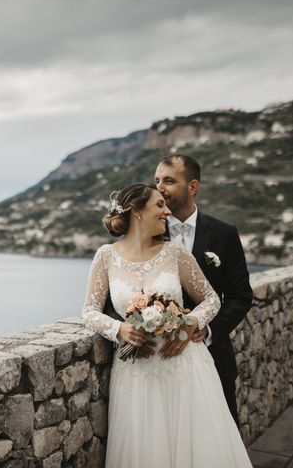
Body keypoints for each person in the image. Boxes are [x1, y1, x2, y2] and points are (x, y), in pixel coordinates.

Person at [82, 183, 252, 467]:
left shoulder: (175, 252)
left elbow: (210, 298)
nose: (167, 211)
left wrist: (189, 323)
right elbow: (89, 310)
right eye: (159, 205)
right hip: (137, 372)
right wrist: (119, 329)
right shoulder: (106, 256)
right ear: (137, 211)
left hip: (184, 365)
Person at [103, 154, 253, 425]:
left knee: (215, 438)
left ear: (192, 187)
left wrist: (201, 328)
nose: (159, 187)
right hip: (148, 361)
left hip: (209, 354)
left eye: (169, 181)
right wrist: (128, 331)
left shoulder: (224, 234)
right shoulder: (143, 233)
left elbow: (240, 296)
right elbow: (111, 301)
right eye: (157, 180)